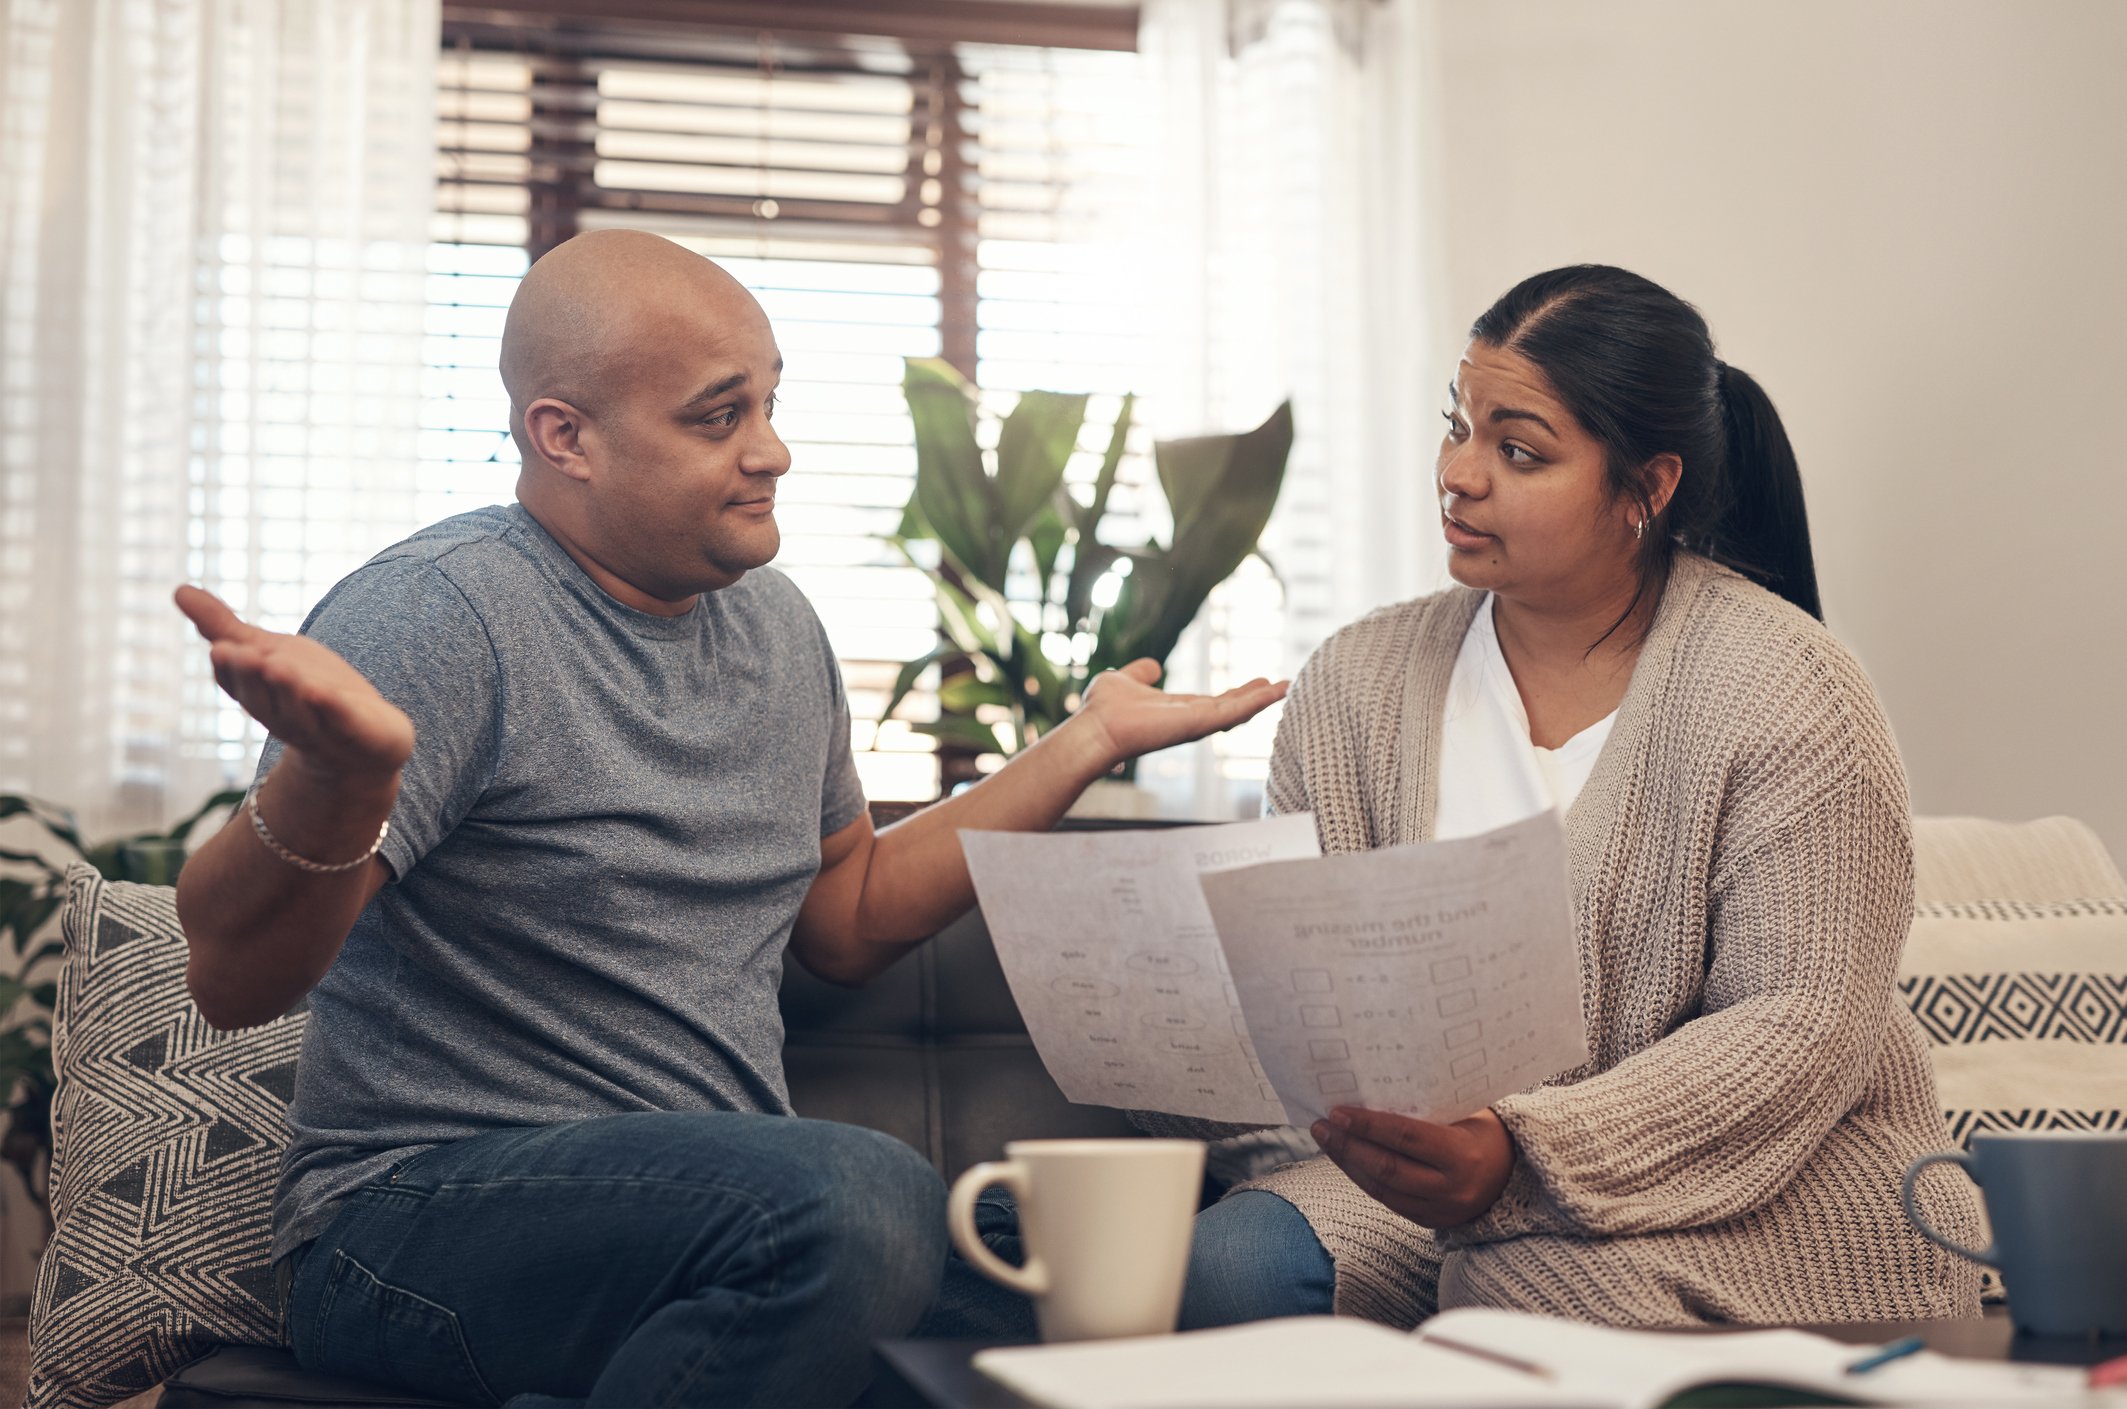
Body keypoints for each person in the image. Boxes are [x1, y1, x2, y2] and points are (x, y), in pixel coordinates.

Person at [171, 228, 1286, 1407]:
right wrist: (340, 781)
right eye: (719, 418)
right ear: (567, 437)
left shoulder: (777, 627)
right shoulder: (441, 617)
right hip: (419, 1222)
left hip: (734, 1221)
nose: (774, 451)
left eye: (769, 403)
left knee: (1166, 1281)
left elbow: (844, 916)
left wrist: (1087, 741)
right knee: (858, 1201)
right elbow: (235, 981)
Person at [1137, 264, 1985, 1329]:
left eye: (1518, 449)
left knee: (1525, 1288)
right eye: (1458, 426)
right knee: (1228, 1269)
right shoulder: (1356, 683)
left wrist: (1522, 1154)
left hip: (1768, 1177)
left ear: (1648, 486)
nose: (1460, 474)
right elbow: (1312, 999)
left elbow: (1799, 1026)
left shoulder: (1790, 688)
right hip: (1422, 1188)